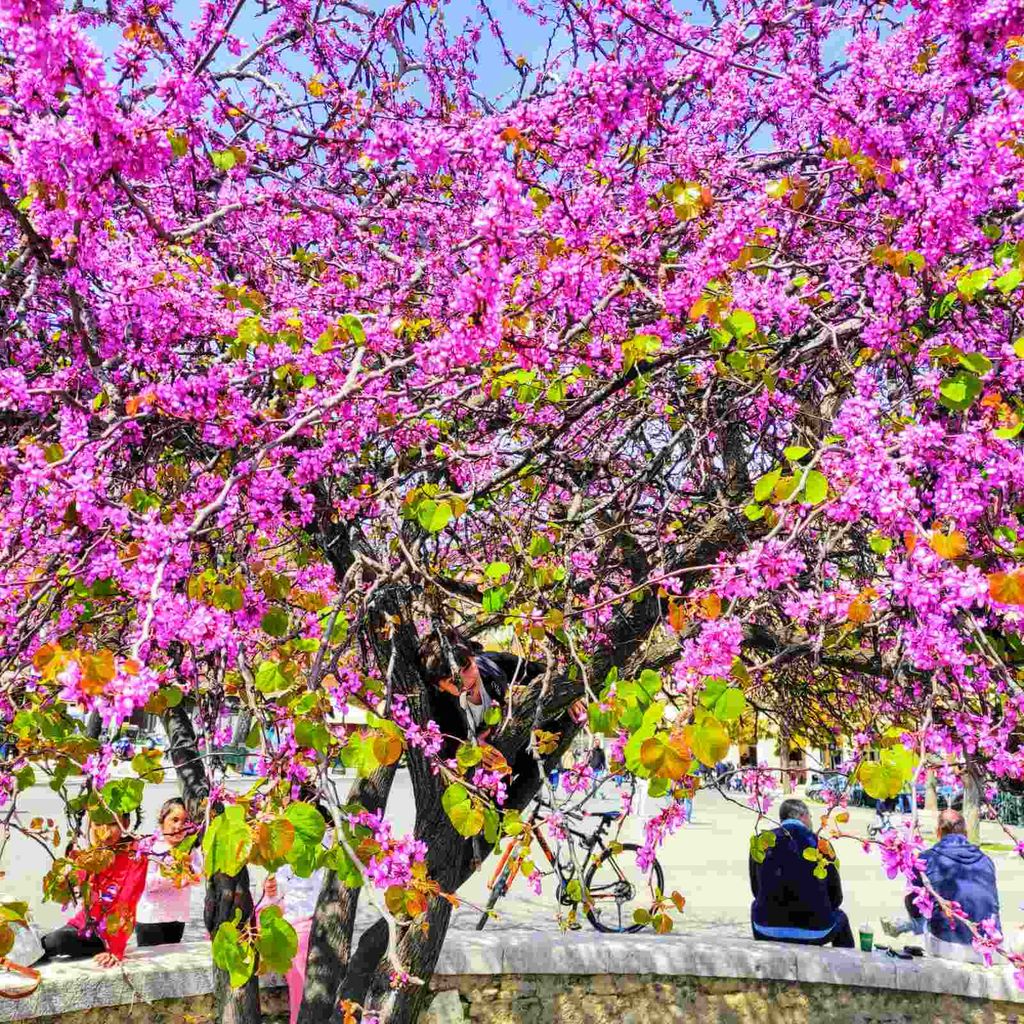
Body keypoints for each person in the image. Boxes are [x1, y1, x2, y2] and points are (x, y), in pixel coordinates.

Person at [882, 809, 1000, 961]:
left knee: (921, 910)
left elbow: (913, 903)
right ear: (966, 833)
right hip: (989, 947)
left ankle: (909, 927)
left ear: (938, 832)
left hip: (948, 946)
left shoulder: (926, 859)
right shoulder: (987, 861)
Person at [40, 812, 148, 966]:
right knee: (41, 942)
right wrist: (64, 878)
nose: (105, 831)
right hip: (81, 925)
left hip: (105, 935)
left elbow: (127, 901)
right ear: (89, 825)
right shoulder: (89, 855)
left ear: (125, 823)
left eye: (112, 824)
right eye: (97, 824)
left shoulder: (135, 854)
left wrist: (115, 950)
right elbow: (72, 891)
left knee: (55, 942)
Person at [749, 798, 854, 947]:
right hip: (816, 931)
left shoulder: (760, 842)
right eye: (810, 817)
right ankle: (847, 961)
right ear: (802, 816)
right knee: (840, 917)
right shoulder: (822, 845)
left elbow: (756, 890)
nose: (811, 821)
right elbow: (836, 898)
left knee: (756, 906)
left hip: (766, 929)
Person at [135, 798, 201, 947]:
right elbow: (143, 882)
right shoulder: (150, 846)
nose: (179, 826)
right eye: (174, 820)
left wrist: (188, 872)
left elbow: (198, 877)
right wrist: (169, 876)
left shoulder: (190, 848)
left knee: (173, 956)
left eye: (185, 821)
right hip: (151, 918)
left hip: (177, 917)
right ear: (162, 820)